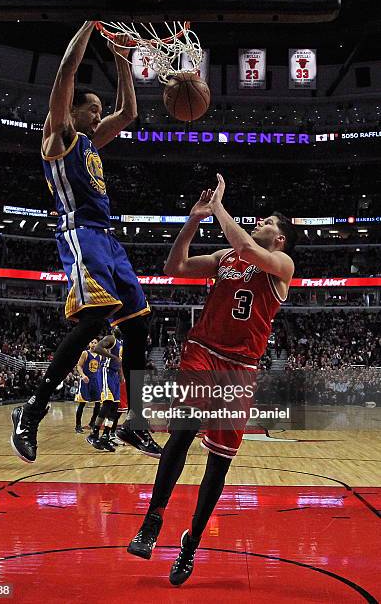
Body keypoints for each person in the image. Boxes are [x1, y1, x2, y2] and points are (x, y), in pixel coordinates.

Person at [127, 175, 297, 585]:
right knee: (182, 430)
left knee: (217, 465)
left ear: (280, 240)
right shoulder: (226, 256)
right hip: (202, 351)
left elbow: (246, 247)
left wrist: (219, 206)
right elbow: (175, 266)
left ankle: (191, 543)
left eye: (270, 222)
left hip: (239, 370)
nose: (262, 222)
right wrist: (193, 220)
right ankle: (152, 521)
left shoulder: (281, 267)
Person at [10, 21, 162, 463]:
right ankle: (32, 410)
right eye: (91, 109)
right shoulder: (58, 136)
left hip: (109, 240)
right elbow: (65, 74)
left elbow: (129, 112)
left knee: (138, 326)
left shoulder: (93, 143)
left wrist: (120, 55)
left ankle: (133, 422)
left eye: (98, 110)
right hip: (79, 233)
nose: (98, 116)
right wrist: (91, 29)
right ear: (71, 111)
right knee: (95, 319)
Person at [86, 327, 124, 451]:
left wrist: (121, 375)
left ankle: (105, 436)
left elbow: (119, 361)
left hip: (115, 375)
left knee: (114, 408)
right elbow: (97, 348)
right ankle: (93, 434)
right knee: (107, 404)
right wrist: (112, 357)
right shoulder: (110, 338)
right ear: (114, 329)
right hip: (106, 371)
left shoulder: (121, 343)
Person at [74, 339, 103, 433]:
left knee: (98, 404)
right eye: (92, 342)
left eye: (95, 342)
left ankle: (92, 422)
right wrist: (83, 376)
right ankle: (78, 425)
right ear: (89, 344)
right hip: (86, 381)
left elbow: (99, 369)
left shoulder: (100, 355)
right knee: (82, 404)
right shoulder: (85, 353)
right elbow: (78, 366)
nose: (94, 344)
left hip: (96, 381)